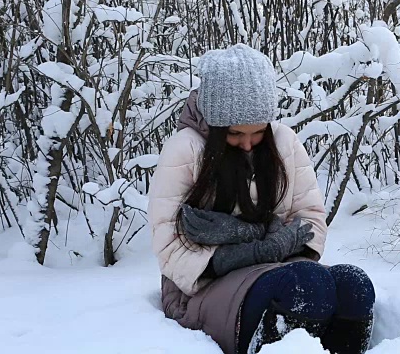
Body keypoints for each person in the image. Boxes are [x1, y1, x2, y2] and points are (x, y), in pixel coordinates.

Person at [147, 44, 376, 354]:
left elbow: (310, 216)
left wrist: (271, 244)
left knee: (354, 285)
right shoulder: (185, 149)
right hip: (204, 286)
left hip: (280, 267)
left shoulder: (284, 141)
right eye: (235, 134)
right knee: (305, 284)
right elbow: (170, 247)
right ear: (215, 126)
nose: (247, 144)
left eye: (257, 133)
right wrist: (255, 248)